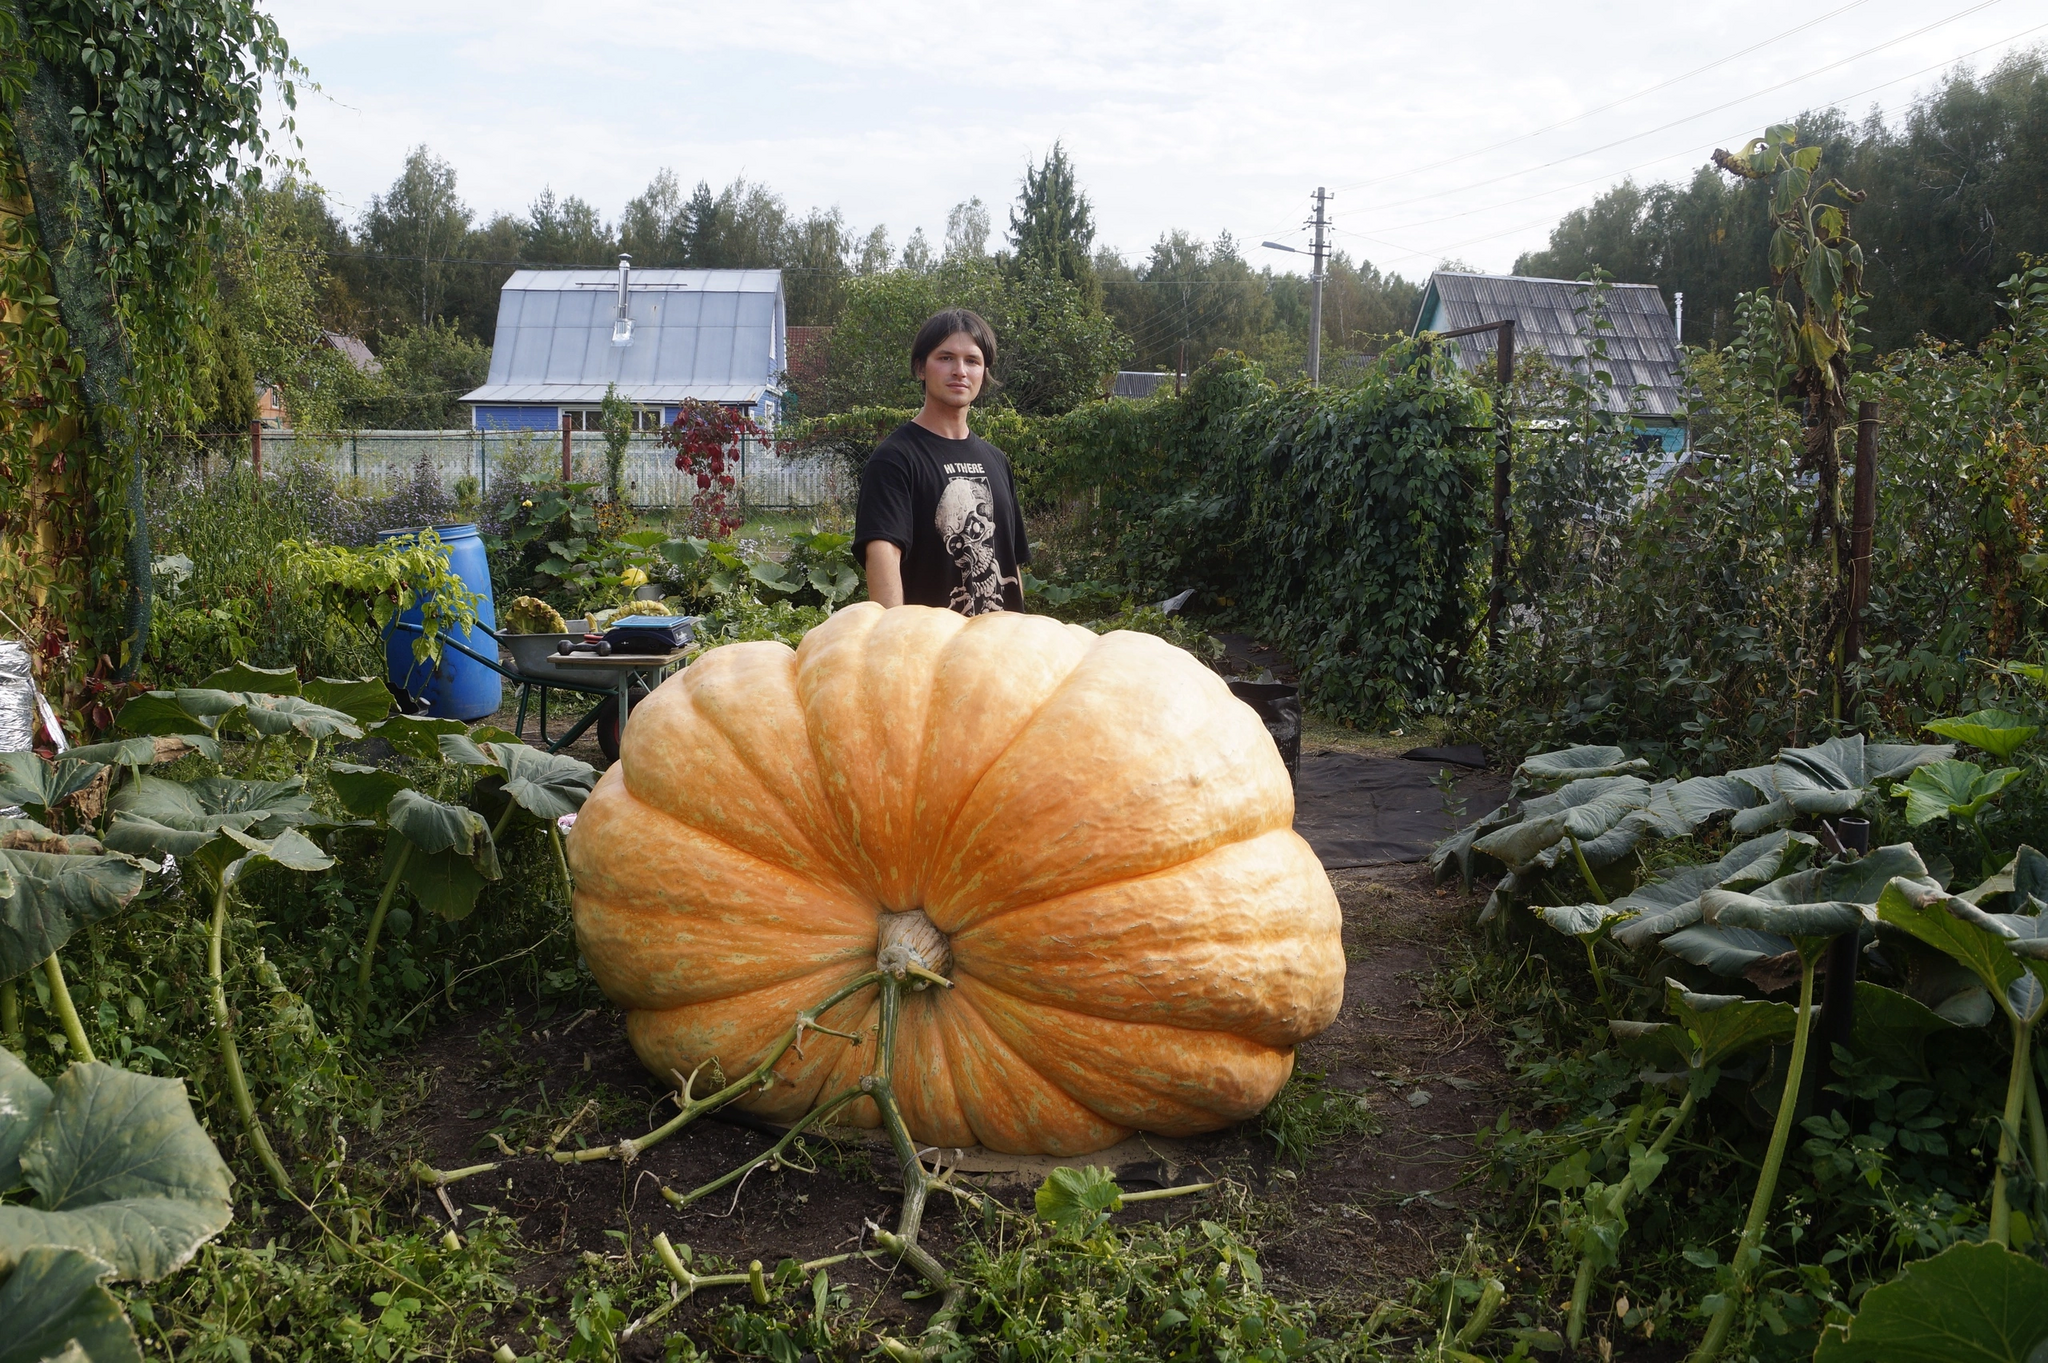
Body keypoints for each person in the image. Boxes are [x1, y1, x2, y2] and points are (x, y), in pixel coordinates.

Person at [852, 309, 1029, 615]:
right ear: (921, 368)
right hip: (929, 655)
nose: (960, 370)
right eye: (945, 358)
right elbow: (883, 556)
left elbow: (1011, 562)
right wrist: (892, 643)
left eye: (972, 361)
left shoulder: (997, 460)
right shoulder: (895, 459)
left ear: (984, 372)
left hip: (1002, 653)